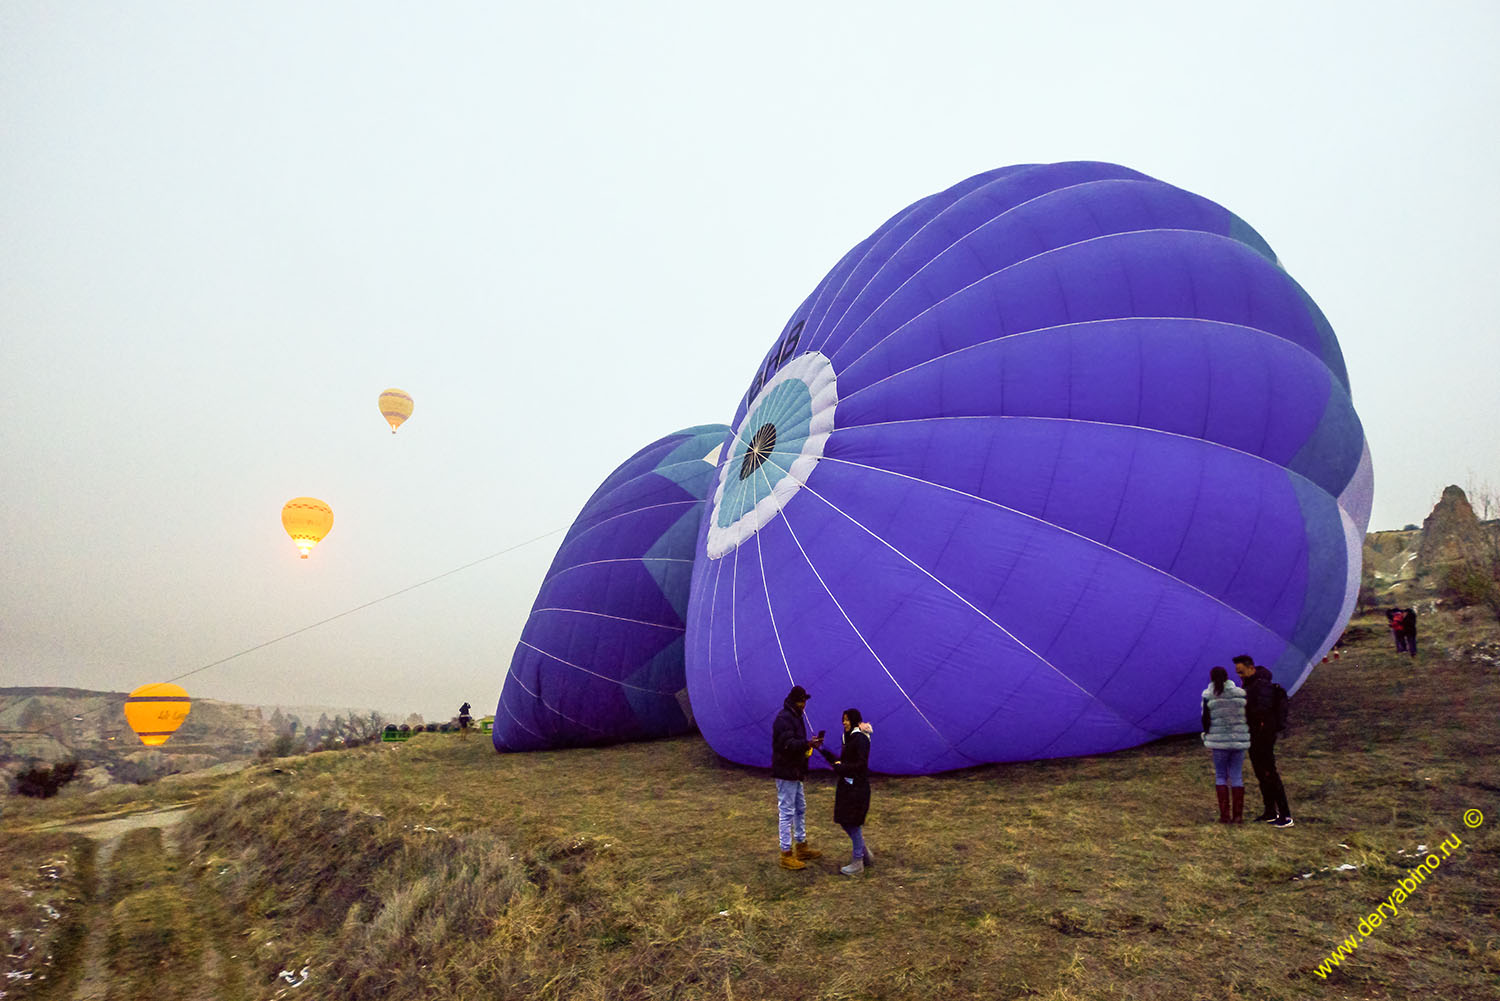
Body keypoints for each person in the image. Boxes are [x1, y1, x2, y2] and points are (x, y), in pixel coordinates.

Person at [1233, 655, 1292, 828]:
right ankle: (1270, 812)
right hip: (1254, 735)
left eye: (1242, 672)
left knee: (1269, 773)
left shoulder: (1261, 686)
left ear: (1251, 668)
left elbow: (1261, 712)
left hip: (1263, 736)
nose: (1240, 676)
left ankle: (1285, 815)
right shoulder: (1251, 685)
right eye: (1238, 673)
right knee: (1261, 774)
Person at [771, 685, 824, 870]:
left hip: (795, 770)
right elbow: (787, 744)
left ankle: (801, 846)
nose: (804, 705)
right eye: (802, 701)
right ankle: (786, 854)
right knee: (786, 812)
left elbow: (795, 742)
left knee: (800, 808)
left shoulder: (795, 717)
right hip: (787, 772)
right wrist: (807, 743)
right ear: (795, 701)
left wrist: (809, 745)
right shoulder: (784, 719)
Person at [818, 708, 875, 873]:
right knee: (844, 820)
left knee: (853, 822)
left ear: (855, 721)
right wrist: (822, 749)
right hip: (847, 786)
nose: (844, 723)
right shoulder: (848, 738)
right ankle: (866, 855)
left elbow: (861, 764)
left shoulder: (861, 739)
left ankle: (858, 862)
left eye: (847, 719)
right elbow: (841, 760)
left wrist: (842, 767)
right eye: (843, 719)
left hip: (857, 787)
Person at [1200, 667, 1251, 823]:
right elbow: (1247, 715)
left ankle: (1225, 816)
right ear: (1228, 677)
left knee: (1221, 776)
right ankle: (1238, 816)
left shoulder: (1209, 696)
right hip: (1238, 741)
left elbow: (1205, 719)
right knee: (1236, 776)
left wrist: (1207, 734)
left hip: (1219, 742)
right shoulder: (1240, 694)